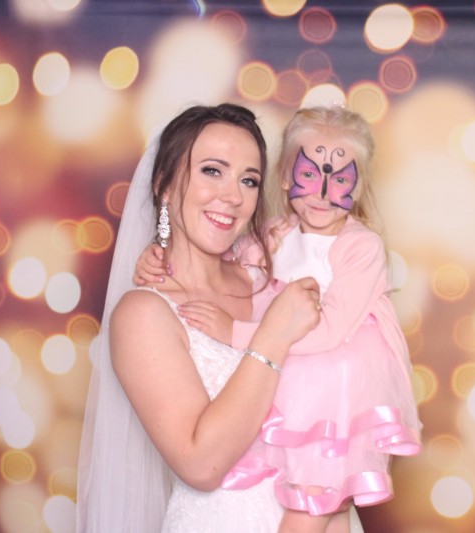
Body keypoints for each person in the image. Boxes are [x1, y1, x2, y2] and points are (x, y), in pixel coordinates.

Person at [137, 105, 422, 533]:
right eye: (308, 174)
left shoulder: (358, 247)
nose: (322, 193)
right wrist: (158, 255)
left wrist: (236, 331)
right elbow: (217, 262)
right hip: (278, 424)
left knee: (317, 501)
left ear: (360, 186)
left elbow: (329, 330)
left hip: (334, 391)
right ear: (286, 177)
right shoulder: (272, 237)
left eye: (340, 180)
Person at [76, 103, 336, 532]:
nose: (233, 196)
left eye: (249, 180)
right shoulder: (144, 313)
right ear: (164, 183)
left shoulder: (274, 281)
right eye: (212, 171)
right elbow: (201, 464)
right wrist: (273, 335)